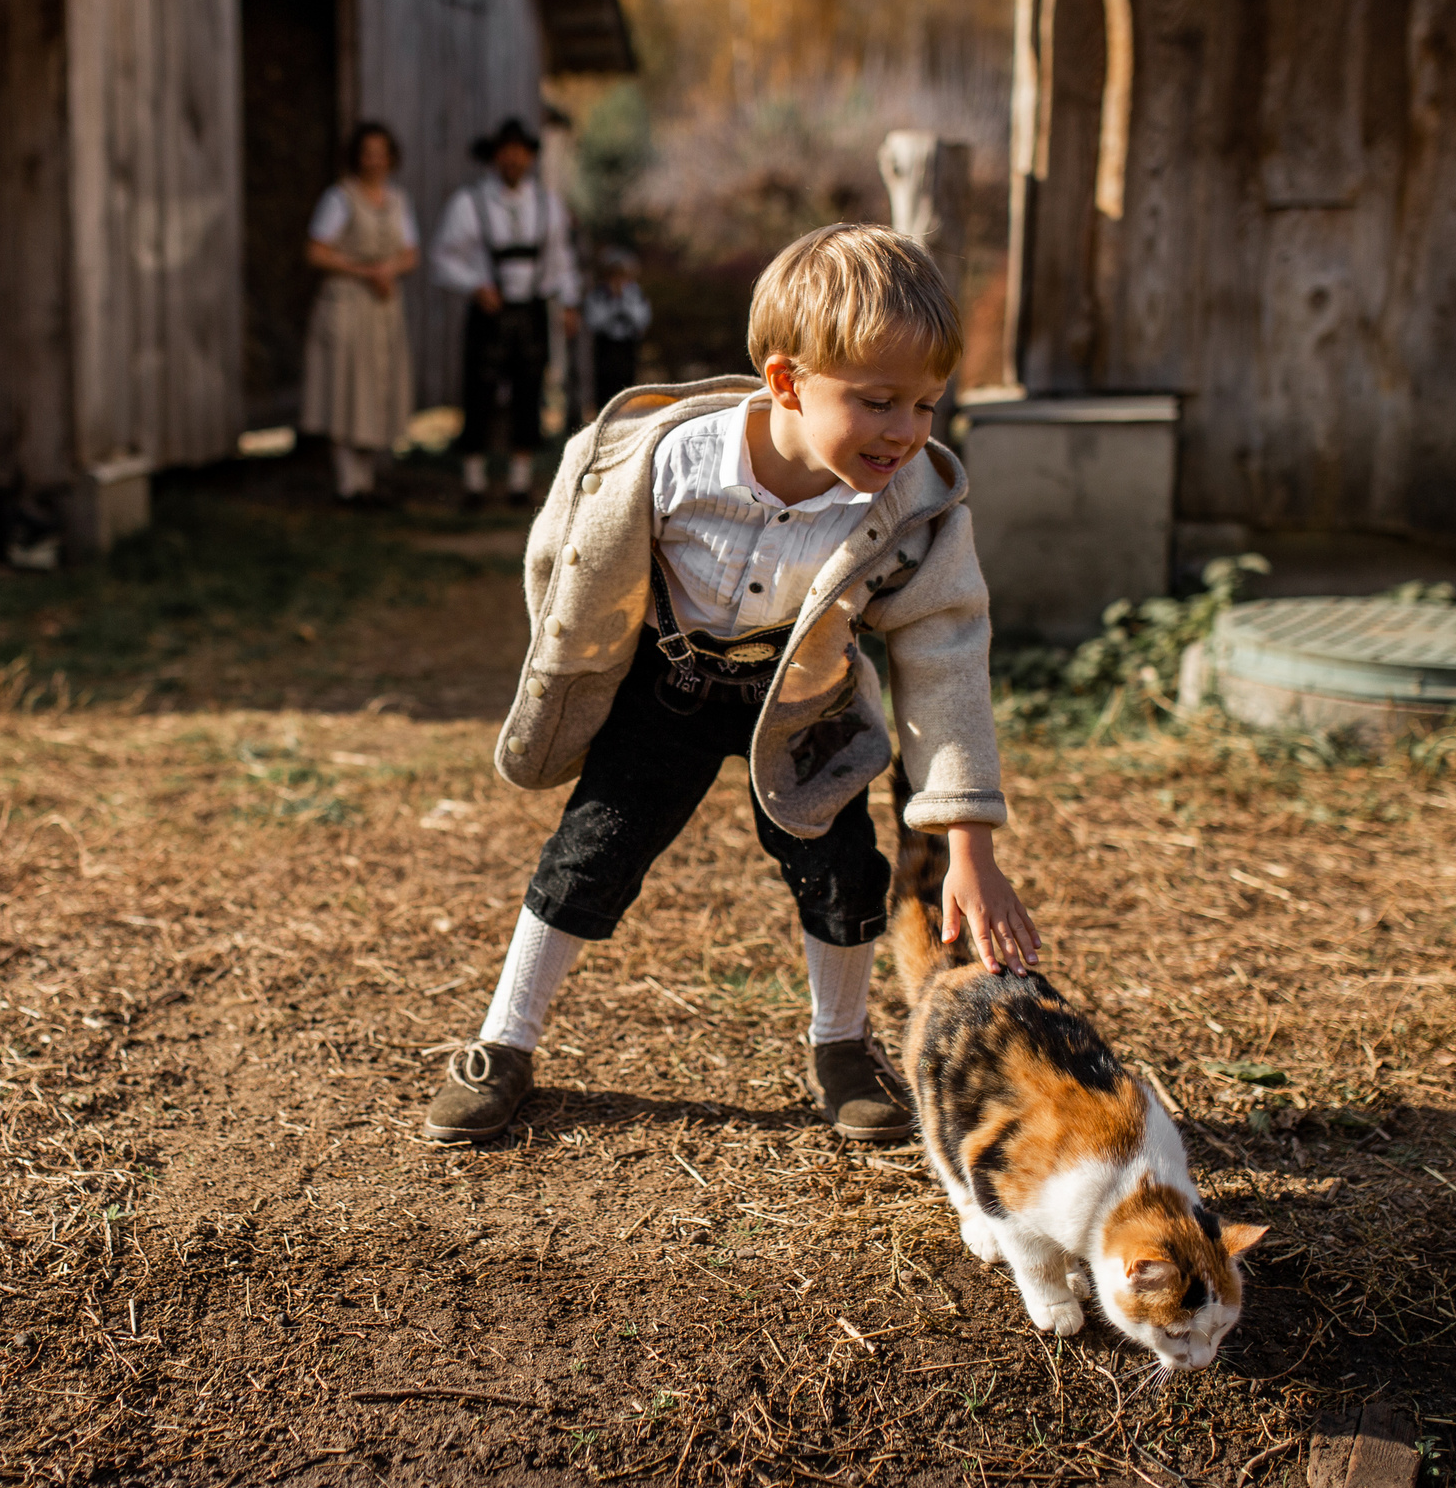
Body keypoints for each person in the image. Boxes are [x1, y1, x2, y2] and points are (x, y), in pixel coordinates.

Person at [420, 223, 1041, 1146]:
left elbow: (944, 653)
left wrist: (970, 844)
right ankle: (503, 1041)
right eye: (879, 402)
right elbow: (567, 551)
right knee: (593, 848)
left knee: (840, 869)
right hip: (668, 687)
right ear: (786, 380)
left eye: (926, 405)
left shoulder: (911, 507)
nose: (906, 431)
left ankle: (841, 1045)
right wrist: (572, 666)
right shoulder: (664, 462)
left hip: (802, 700)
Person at [429, 116, 579, 510]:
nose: (513, 159)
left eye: (520, 151)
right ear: (495, 157)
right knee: (478, 391)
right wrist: (475, 286)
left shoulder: (548, 205)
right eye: (505, 151)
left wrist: (567, 302)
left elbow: (561, 259)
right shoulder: (470, 203)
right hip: (488, 313)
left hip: (531, 311)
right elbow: (442, 258)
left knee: (530, 391)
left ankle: (519, 482)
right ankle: (474, 483)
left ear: (529, 157)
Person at [302, 121, 420, 503]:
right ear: (356, 157)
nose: (374, 160)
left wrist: (389, 270)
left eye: (380, 152)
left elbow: (411, 253)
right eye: (367, 152)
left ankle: (367, 481)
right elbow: (316, 250)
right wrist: (364, 271)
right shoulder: (340, 198)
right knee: (345, 385)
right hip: (349, 301)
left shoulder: (397, 200)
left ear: (390, 157)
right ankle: (346, 483)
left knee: (377, 386)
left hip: (381, 305)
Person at [579, 247, 651, 422]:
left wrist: (623, 303)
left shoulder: (635, 294)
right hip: (605, 347)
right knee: (604, 388)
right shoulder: (598, 295)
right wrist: (613, 305)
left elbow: (643, 318)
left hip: (626, 347)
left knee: (627, 387)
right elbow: (594, 321)